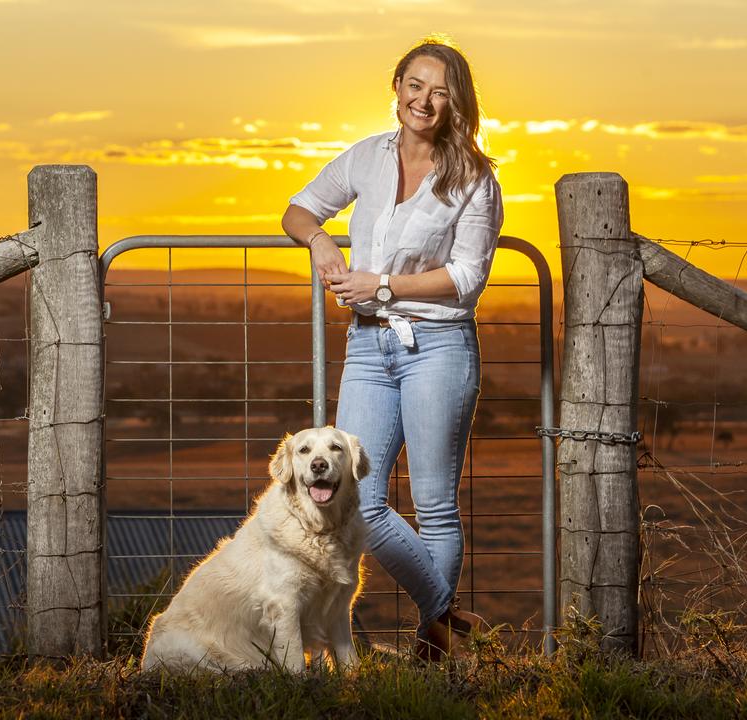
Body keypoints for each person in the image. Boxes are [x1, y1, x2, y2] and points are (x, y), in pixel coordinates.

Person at [280, 38, 504, 659]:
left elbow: (466, 278)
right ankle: (446, 618)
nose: (423, 101)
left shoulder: (476, 179)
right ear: (396, 86)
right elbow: (297, 211)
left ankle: (433, 650)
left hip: (438, 345)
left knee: (434, 505)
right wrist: (322, 243)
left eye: (439, 91)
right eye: (414, 85)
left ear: (457, 103)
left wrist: (379, 283)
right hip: (367, 346)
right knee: (359, 496)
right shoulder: (366, 158)